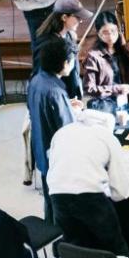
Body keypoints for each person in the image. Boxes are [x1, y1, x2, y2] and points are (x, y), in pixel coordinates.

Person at [46, 107, 129, 255]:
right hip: (90, 197)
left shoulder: (62, 132)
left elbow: (54, 165)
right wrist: (114, 194)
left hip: (58, 195)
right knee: (114, 245)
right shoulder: (107, 136)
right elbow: (119, 189)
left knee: (74, 245)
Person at [26, 38, 76, 196]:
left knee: (49, 195)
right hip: (56, 157)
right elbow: (68, 130)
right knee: (59, 199)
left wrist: (66, 105)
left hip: (42, 149)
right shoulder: (56, 92)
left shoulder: (36, 80)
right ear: (65, 63)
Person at [82, 10, 129, 111]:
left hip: (126, 101)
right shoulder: (94, 56)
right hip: (105, 104)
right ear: (98, 34)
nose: (110, 36)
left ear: (118, 31)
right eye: (105, 32)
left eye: (113, 31)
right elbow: (89, 89)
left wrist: (125, 46)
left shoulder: (122, 51)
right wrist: (116, 89)